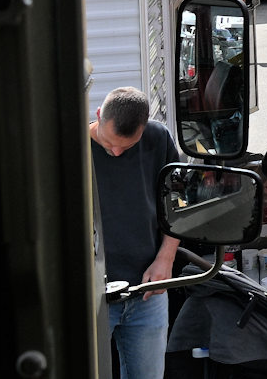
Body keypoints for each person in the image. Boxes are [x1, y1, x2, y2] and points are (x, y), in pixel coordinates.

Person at [89, 87, 184, 379]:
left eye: (127, 147)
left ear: (144, 128)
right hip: (92, 295)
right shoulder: (66, 148)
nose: (116, 152)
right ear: (98, 116)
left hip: (147, 291)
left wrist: (166, 258)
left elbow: (178, 204)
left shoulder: (158, 138)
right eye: (110, 143)